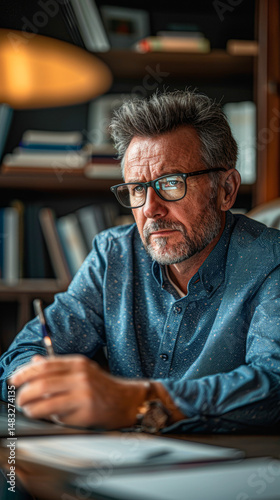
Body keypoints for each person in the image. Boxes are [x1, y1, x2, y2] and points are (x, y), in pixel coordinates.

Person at [1, 90, 280, 433]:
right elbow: (23, 353)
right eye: (136, 188)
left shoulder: (271, 262)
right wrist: (43, 385)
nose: (150, 209)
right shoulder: (113, 255)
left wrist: (136, 401)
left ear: (226, 190)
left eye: (171, 183)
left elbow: (273, 385)